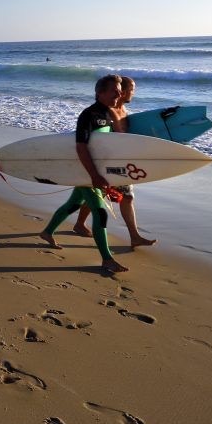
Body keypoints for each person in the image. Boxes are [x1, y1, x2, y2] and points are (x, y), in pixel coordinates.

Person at [39, 74, 127, 274]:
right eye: (115, 90)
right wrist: (94, 175)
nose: (119, 93)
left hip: (95, 171)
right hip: (87, 171)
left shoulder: (109, 113)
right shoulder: (88, 115)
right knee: (100, 212)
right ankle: (107, 259)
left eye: (120, 90)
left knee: (73, 204)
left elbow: (108, 145)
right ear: (100, 93)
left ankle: (47, 232)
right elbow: (81, 147)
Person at [72, 76, 157, 247]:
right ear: (123, 91)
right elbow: (118, 138)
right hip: (114, 161)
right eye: (132, 89)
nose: (133, 92)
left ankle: (80, 224)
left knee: (109, 196)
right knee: (119, 197)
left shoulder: (122, 109)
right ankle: (130, 237)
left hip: (120, 159)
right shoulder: (110, 111)